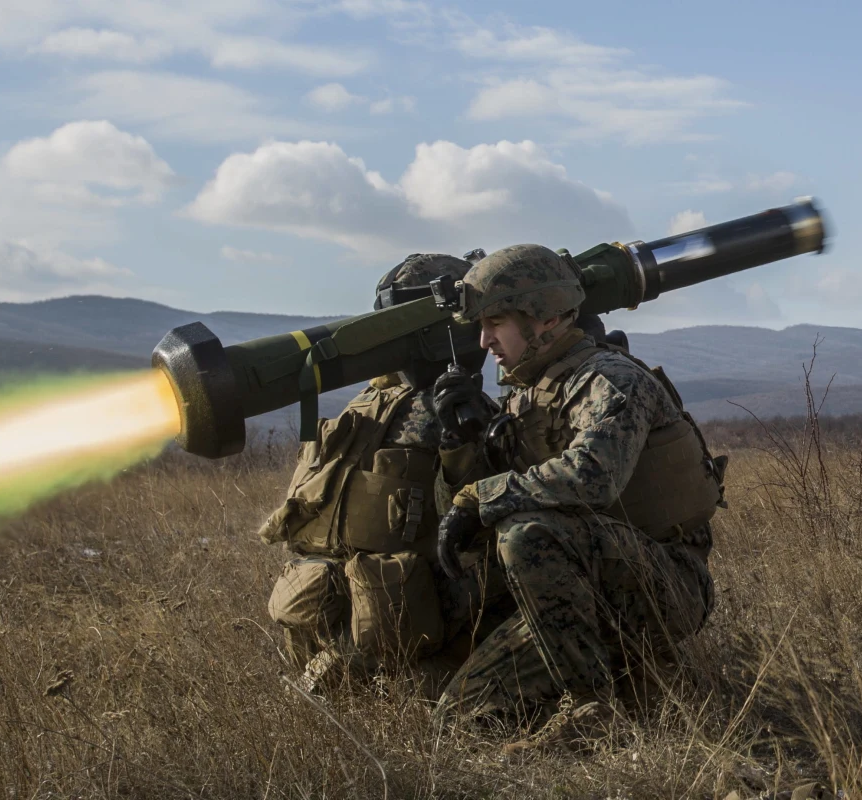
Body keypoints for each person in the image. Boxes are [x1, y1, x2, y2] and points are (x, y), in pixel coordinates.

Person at [430, 243, 726, 750]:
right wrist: (460, 445)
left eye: (495, 323)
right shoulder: (527, 393)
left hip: (665, 584)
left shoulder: (611, 380)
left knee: (526, 533)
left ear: (544, 319)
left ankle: (590, 711)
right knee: (457, 721)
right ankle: (634, 684)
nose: (484, 341)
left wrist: (482, 495)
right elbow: (475, 507)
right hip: (581, 586)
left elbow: (593, 478)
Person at [256, 253, 504, 694]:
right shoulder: (370, 403)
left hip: (407, 627)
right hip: (332, 611)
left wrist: (461, 436)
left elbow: (482, 517)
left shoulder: (460, 410)